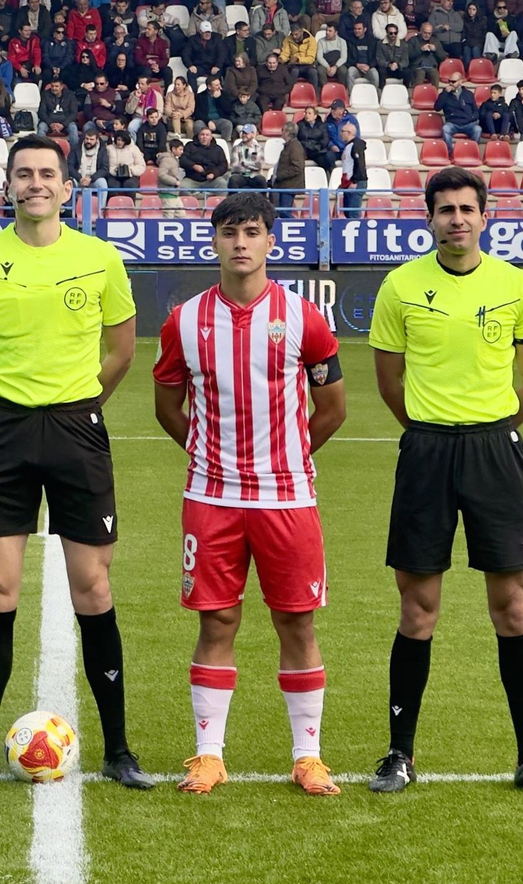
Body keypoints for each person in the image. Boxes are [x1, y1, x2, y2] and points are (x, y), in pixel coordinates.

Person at [0, 134, 150, 790]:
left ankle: (119, 749)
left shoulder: (100, 258)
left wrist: (78, 405)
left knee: (93, 587)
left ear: (66, 187)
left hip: (75, 428)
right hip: (2, 432)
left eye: (46, 174)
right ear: (8, 186)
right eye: (23, 174)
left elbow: (120, 350)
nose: (35, 183)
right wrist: (3, 411)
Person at [366, 166, 523, 799]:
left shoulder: (515, 286)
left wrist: (487, 428)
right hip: (425, 452)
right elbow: (390, 383)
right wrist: (432, 430)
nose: (455, 219)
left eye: (466, 209)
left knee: (511, 606)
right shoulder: (399, 287)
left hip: (493, 454)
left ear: (485, 216)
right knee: (417, 608)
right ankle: (399, 753)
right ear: (429, 218)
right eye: (444, 209)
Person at [151, 190, 346, 797]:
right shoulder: (184, 321)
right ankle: (209, 755)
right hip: (211, 498)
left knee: (296, 622)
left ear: (270, 241)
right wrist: (208, 454)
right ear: (215, 240)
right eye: (230, 232)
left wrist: (288, 459)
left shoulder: (303, 316)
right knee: (218, 620)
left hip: (288, 500)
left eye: (252, 231)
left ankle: (307, 757)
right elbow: (166, 402)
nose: (241, 242)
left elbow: (333, 406)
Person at [435, 74, 481, 151]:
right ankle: (450, 153)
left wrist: (472, 118)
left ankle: (472, 152)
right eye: (449, 81)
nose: (450, 84)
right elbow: (437, 108)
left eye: (453, 81)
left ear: (460, 82)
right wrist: (445, 93)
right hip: (452, 123)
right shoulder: (445, 94)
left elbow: (475, 111)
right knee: (445, 129)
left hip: (468, 123)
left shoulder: (468, 94)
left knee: (477, 129)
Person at [337, 122, 366, 216]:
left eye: (342, 131)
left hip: (355, 183)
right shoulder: (349, 146)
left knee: (353, 213)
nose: (340, 133)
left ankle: (358, 230)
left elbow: (359, 164)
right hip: (348, 182)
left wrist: (354, 181)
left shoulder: (355, 145)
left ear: (349, 133)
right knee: (348, 212)